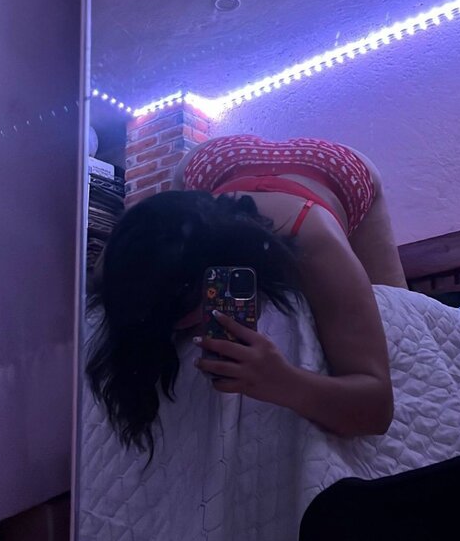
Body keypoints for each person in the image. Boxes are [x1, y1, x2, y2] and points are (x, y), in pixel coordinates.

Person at [87, 134, 407, 456]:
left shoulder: (315, 240)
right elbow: (106, 285)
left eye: (181, 316)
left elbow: (377, 407)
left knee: (401, 311)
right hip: (209, 162)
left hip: (343, 169)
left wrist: (286, 382)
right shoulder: (122, 255)